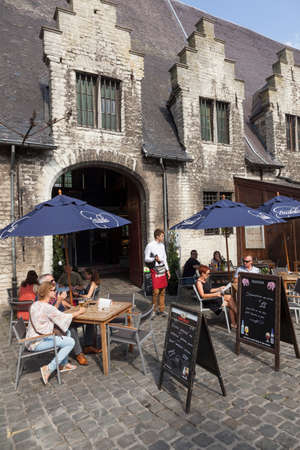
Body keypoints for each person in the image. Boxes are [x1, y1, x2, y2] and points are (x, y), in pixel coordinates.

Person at [25, 281, 86, 384]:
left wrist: (59, 300)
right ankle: (49, 368)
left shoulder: (35, 304)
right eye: (53, 290)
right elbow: (63, 317)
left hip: (32, 338)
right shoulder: (47, 307)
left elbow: (52, 314)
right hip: (37, 342)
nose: (56, 292)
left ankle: (64, 364)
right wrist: (80, 311)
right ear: (47, 292)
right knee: (70, 342)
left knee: (67, 333)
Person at [144, 228, 170, 318]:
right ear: (157, 236)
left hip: (162, 269)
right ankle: (153, 310)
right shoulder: (150, 245)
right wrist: (154, 259)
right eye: (162, 236)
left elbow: (165, 259)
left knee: (163, 291)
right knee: (156, 291)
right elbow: (146, 258)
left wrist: (168, 270)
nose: (163, 237)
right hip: (155, 269)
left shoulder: (162, 245)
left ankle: (162, 310)